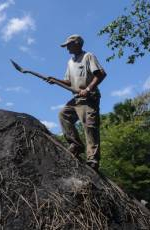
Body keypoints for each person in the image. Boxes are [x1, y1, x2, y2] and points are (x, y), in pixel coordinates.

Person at [46, 34, 107, 171]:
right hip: (76, 99)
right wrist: (55, 80)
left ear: (77, 43)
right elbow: (68, 81)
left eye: (69, 45)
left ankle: (93, 160)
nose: (67, 48)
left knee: (90, 128)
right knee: (63, 115)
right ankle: (76, 144)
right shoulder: (70, 62)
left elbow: (101, 74)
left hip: (89, 98)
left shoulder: (88, 56)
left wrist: (88, 88)